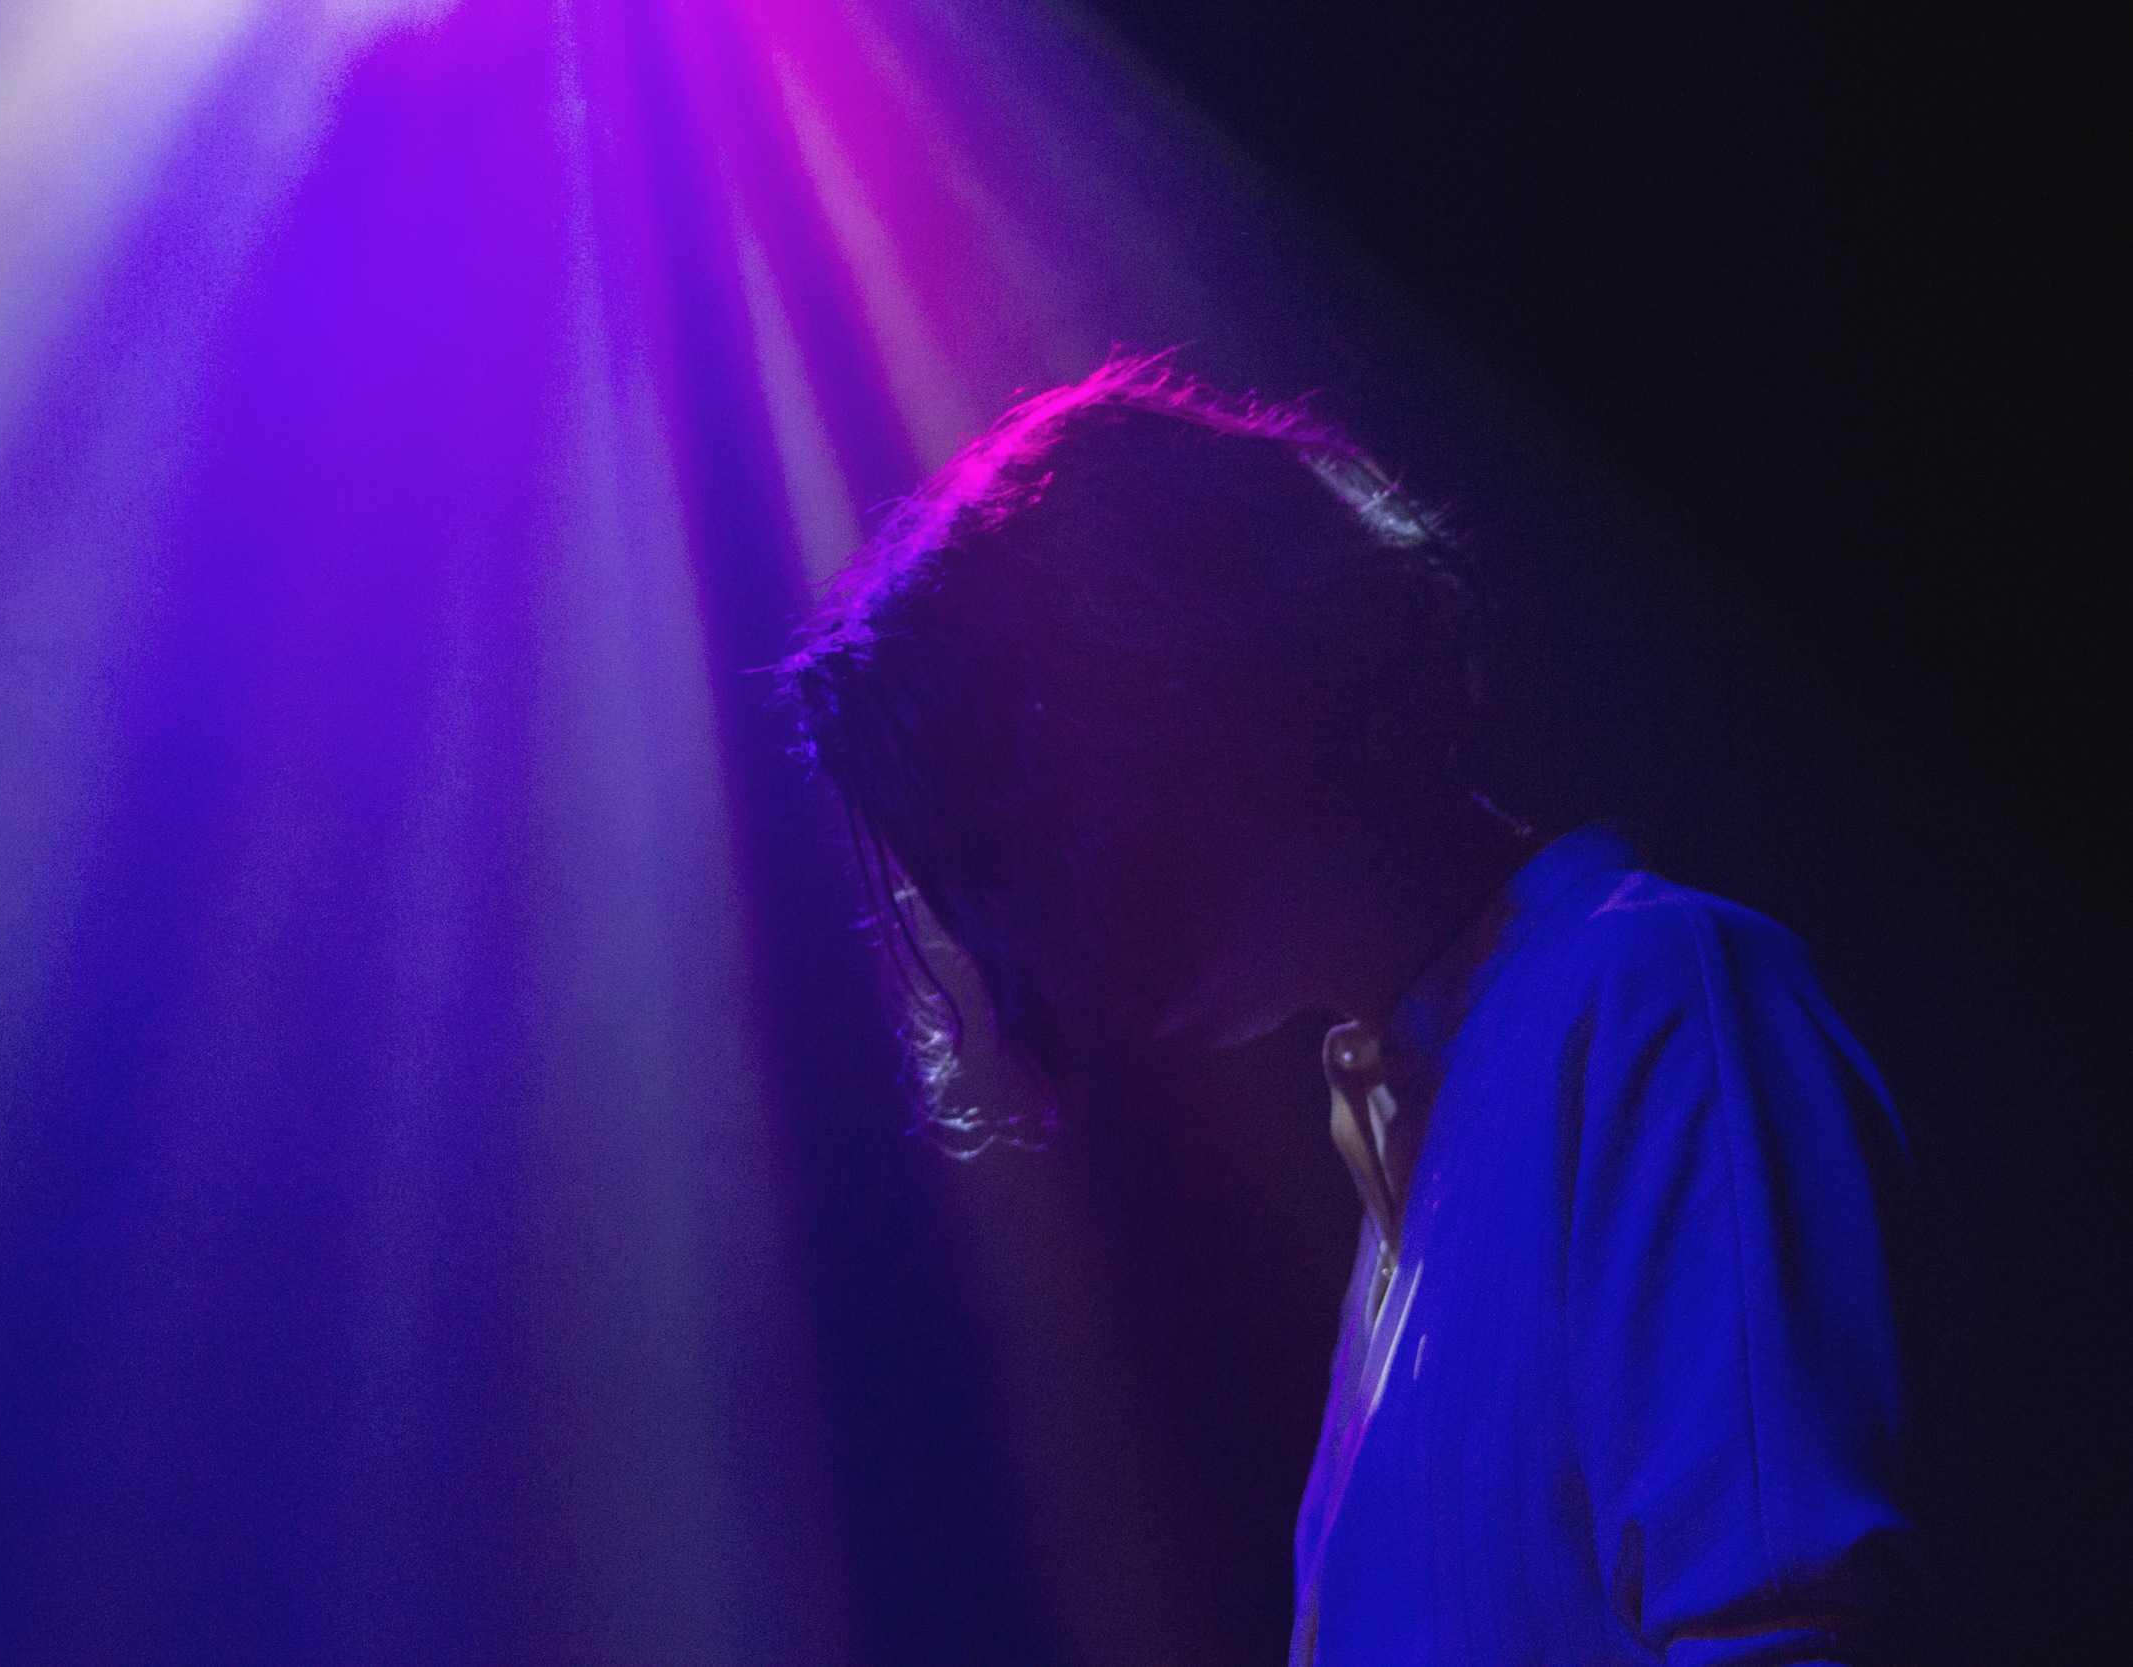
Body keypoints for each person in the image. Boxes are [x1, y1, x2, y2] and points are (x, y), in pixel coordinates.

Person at [780, 354, 1917, 1663]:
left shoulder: (1653, 1001)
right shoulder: (1415, 1156)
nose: (1029, 935)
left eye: (1022, 827)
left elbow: (1782, 1635)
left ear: (1179, 689)